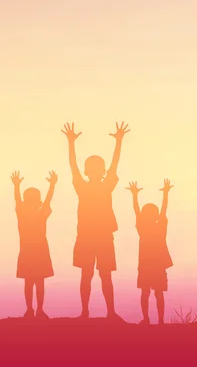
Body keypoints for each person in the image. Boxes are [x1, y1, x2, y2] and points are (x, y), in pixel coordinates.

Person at [61, 122, 130, 320]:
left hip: (102, 236)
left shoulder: (105, 185)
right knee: (87, 275)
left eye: (98, 167)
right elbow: (72, 166)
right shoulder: (82, 187)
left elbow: (114, 164)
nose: (95, 170)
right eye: (92, 167)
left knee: (105, 275)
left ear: (102, 170)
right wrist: (70, 143)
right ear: (87, 171)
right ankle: (85, 312)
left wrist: (119, 142)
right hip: (86, 236)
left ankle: (110, 312)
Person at [11, 170, 57, 319]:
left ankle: (33, 309)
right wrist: (52, 186)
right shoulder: (38, 213)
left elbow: (18, 201)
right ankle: (36, 309)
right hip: (37, 252)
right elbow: (48, 200)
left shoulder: (23, 214)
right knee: (37, 282)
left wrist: (16, 186)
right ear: (39, 202)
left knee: (30, 282)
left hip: (31, 252)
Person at [127, 179, 174, 325]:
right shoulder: (159, 226)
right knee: (155, 294)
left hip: (148, 265)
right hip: (155, 265)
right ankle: (158, 320)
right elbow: (162, 210)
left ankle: (149, 319)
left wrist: (135, 196)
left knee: (146, 293)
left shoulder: (144, 227)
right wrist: (165, 194)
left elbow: (137, 211)